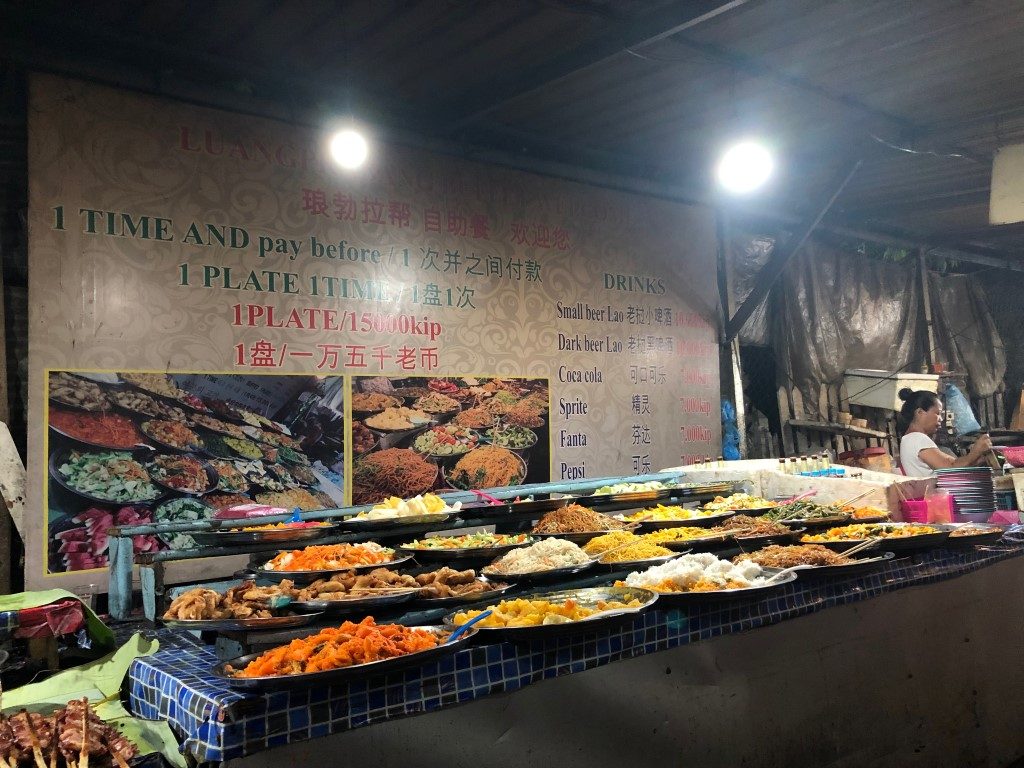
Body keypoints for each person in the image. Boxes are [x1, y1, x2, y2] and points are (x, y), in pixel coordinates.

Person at [898, 388, 992, 477]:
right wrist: (976, 451)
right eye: (938, 413)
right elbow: (950, 467)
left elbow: (954, 464)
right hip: (933, 493)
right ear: (920, 412)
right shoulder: (917, 439)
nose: (941, 419)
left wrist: (976, 460)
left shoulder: (908, 438)